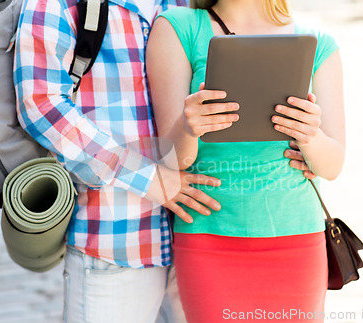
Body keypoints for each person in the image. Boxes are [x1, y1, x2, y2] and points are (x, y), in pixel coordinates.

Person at [14, 0, 316, 322]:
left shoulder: (185, 4)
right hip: (119, 237)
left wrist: (302, 149)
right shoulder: (58, 4)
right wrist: (148, 178)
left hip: (200, 237)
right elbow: (41, 107)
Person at [146, 0, 345, 322]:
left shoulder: (318, 42)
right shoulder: (178, 27)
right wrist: (188, 126)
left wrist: (311, 137)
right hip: (209, 238)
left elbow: (333, 165)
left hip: (297, 238)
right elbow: (175, 161)